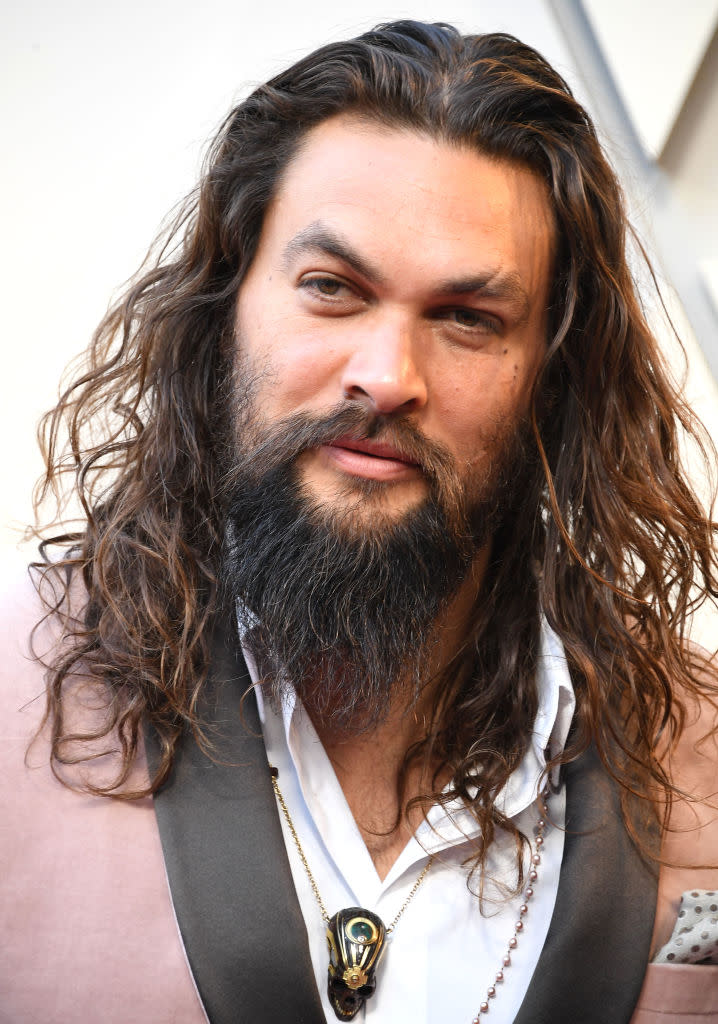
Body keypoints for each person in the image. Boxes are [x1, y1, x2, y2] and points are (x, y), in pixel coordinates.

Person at [1, 19, 717, 1024]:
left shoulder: (701, 746)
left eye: (468, 317)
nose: (386, 376)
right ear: (224, 308)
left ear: (554, 378)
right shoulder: (11, 678)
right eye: (332, 289)